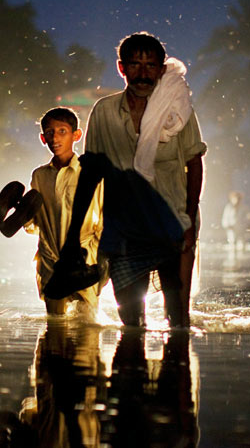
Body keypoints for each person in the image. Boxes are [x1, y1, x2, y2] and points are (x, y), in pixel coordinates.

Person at [57, 32, 206, 328]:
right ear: (121, 67)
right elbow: (91, 174)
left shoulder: (177, 112)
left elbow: (194, 163)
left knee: (178, 319)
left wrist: (189, 222)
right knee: (130, 321)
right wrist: (74, 235)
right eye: (135, 64)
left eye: (151, 66)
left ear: (162, 70)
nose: (143, 73)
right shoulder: (104, 112)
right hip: (124, 232)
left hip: (172, 225)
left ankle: (177, 369)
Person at [23, 107, 105, 317]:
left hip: (84, 257)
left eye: (62, 131)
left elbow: (104, 218)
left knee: (87, 325)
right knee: (55, 326)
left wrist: (100, 257)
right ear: (43, 138)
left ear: (76, 135)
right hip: (50, 259)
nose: (55, 138)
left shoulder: (89, 172)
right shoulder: (40, 176)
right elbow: (35, 222)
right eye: (49, 133)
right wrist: (21, 211)